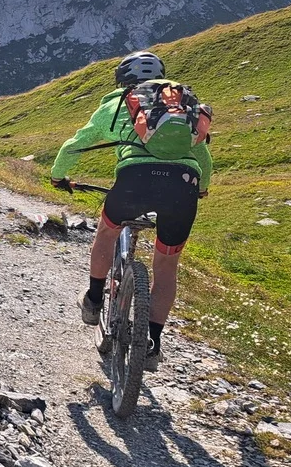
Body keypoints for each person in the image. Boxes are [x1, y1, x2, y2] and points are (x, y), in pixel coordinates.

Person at [49, 51, 212, 371]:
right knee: (166, 264)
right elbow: (203, 155)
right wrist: (201, 186)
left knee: (107, 230)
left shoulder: (117, 103)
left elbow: (76, 144)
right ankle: (152, 342)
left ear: (122, 81)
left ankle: (94, 299)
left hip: (135, 182)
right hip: (183, 186)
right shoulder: (180, 106)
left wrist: (59, 176)